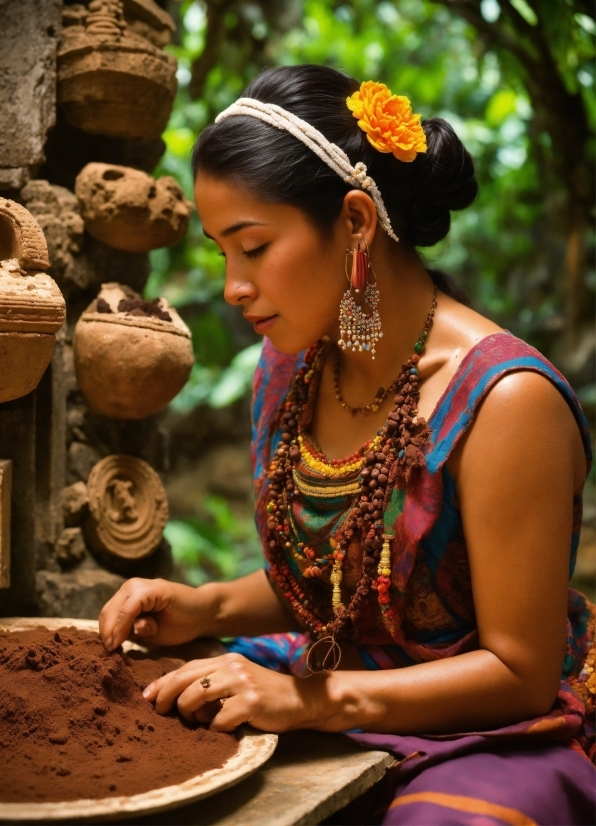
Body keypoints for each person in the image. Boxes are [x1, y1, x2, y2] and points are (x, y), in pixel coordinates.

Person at [99, 65, 595, 824]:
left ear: (357, 223)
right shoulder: (293, 367)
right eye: (220, 251)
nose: (233, 285)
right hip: (330, 683)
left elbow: (519, 673)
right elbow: (351, 587)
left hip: (490, 733)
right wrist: (206, 607)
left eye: (253, 246)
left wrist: (311, 701)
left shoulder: (505, 401)